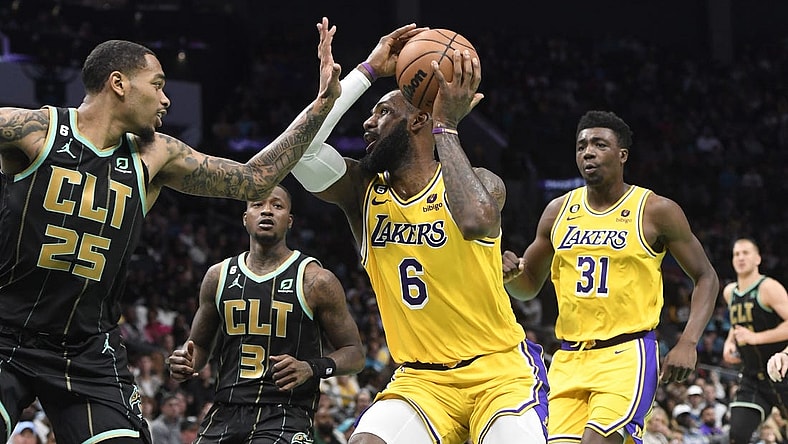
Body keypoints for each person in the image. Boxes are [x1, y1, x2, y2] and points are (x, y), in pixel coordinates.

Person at [0, 17, 341, 443]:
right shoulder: (33, 131)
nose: (165, 100)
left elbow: (255, 180)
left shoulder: (156, 154)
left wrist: (322, 104)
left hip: (86, 350)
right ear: (119, 83)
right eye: (158, 85)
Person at [289, 23, 550, 444]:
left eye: (383, 112)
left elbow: (478, 222)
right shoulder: (362, 192)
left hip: (500, 372)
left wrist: (447, 126)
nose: (368, 124)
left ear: (417, 122)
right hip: (421, 382)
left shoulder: (480, 181)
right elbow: (299, 153)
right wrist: (369, 72)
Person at [502, 110, 719, 444]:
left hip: (627, 353)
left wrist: (689, 341)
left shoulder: (655, 210)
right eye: (581, 145)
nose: (588, 151)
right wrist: (512, 275)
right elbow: (528, 287)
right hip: (569, 358)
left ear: (622, 155)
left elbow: (706, 276)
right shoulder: (557, 211)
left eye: (599, 144)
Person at [166, 184, 365, 442]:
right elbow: (200, 347)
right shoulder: (218, 276)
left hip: (286, 413)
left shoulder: (316, 280)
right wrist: (185, 361)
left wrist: (311, 367)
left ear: (290, 221)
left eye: (277, 205)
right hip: (225, 410)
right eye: (258, 205)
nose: (267, 211)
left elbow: (355, 353)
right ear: (245, 218)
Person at [723, 238, 788, 443]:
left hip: (782, 373)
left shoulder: (768, 287)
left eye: (746, 253)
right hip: (752, 378)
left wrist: (755, 338)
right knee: (737, 435)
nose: (740, 257)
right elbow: (737, 326)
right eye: (736, 254)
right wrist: (729, 342)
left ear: (758, 258)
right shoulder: (729, 292)